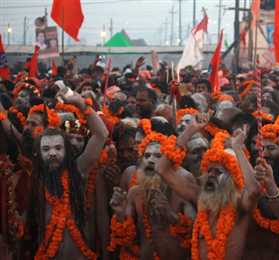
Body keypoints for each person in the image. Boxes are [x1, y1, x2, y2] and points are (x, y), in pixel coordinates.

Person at [153, 119, 260, 259]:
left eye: (218, 172)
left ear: (233, 178)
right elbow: (161, 169)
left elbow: (254, 190)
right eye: (209, 171)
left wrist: (238, 148)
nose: (211, 175)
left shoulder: (240, 205)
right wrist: (189, 132)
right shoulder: (200, 198)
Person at [27, 90, 109, 259]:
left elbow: (101, 135)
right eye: (46, 149)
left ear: (67, 150)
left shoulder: (78, 171)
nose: (52, 153)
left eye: (58, 148)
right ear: (38, 153)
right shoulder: (36, 179)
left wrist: (82, 104)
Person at [109, 130, 194, 259]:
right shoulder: (135, 193)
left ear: (169, 162)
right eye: (147, 155)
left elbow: (195, 235)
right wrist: (120, 214)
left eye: (158, 156)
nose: (151, 160)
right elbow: (126, 238)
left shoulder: (182, 191)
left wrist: (170, 216)